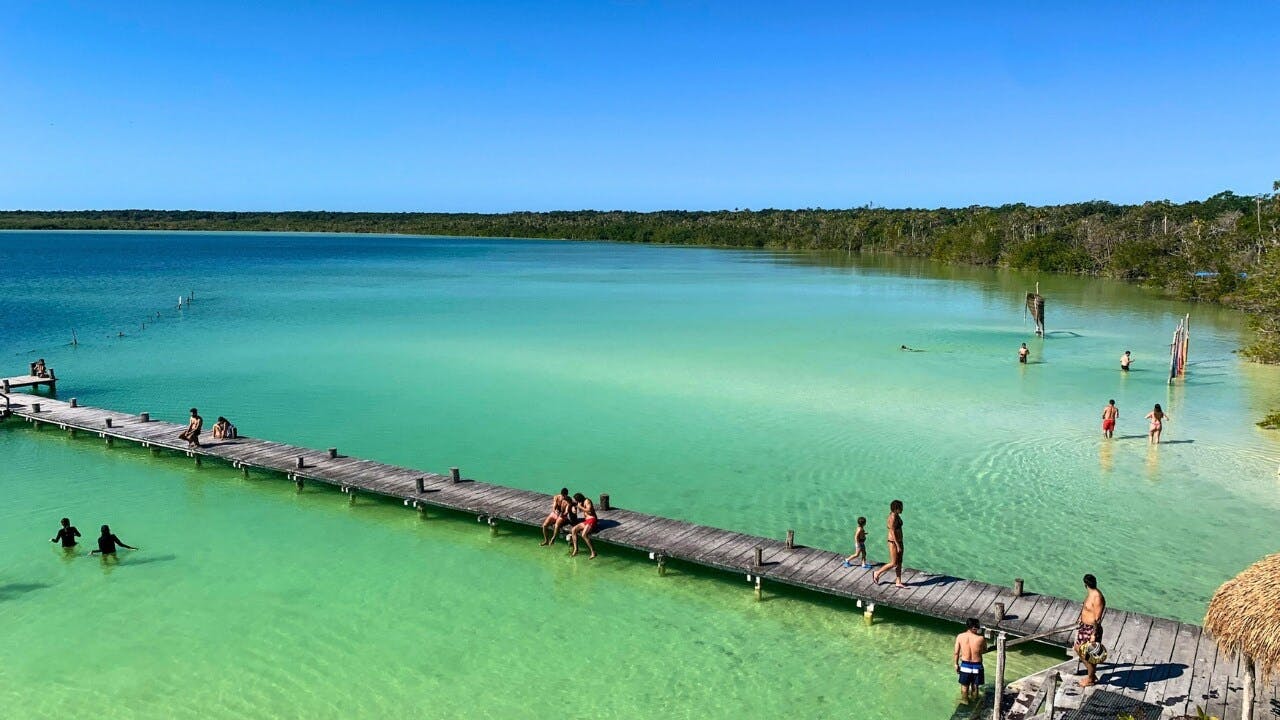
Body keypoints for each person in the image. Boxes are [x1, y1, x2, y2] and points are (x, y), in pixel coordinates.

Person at [1074, 574, 1107, 687]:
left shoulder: (1098, 597)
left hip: (1091, 629)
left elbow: (1097, 618)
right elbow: (1086, 609)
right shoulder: (1090, 594)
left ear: (1085, 585)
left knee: (1089, 655)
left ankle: (1090, 678)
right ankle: (1091, 674)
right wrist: (1080, 619)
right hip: (1084, 627)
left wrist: (1094, 634)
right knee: (1077, 648)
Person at [872, 500, 906, 588]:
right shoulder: (892, 518)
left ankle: (898, 581)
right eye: (900, 508)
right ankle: (877, 573)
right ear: (896, 509)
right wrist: (898, 545)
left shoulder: (897, 515)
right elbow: (892, 532)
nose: (902, 509)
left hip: (899, 541)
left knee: (899, 562)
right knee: (893, 563)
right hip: (893, 542)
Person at [954, 617, 988, 700]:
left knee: (964, 686)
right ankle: (974, 701)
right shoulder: (981, 638)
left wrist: (956, 664)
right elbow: (984, 650)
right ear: (974, 627)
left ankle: (964, 701)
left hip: (965, 665)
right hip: (977, 666)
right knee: (975, 686)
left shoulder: (960, 636)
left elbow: (956, 653)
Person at [568, 493, 598, 559]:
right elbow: (572, 503)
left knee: (584, 534)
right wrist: (573, 507)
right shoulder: (579, 502)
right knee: (573, 530)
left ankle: (593, 552)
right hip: (586, 521)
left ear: (579, 499)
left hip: (592, 519)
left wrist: (580, 507)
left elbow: (589, 510)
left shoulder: (587, 501)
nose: (575, 501)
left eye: (576, 500)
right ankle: (576, 549)